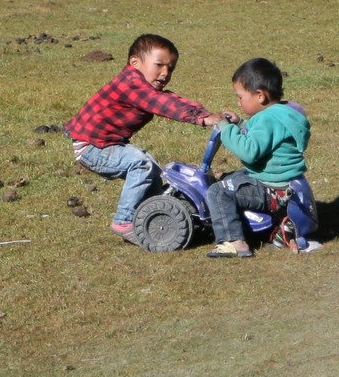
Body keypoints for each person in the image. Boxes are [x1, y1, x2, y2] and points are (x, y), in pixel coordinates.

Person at [64, 34, 223, 243]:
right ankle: (124, 221)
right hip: (92, 147)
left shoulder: (142, 85)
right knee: (140, 165)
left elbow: (168, 98)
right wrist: (203, 119)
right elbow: (160, 103)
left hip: (105, 143)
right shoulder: (131, 83)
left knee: (154, 172)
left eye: (170, 68)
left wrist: (204, 113)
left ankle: (155, 213)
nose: (165, 73)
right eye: (159, 65)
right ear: (135, 62)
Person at [206, 58, 310, 258]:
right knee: (231, 178)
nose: (238, 102)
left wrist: (227, 129)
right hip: (283, 186)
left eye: (240, 97)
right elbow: (265, 137)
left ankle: (235, 241)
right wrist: (240, 123)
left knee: (219, 192)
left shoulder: (267, 118)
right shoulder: (281, 114)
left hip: (272, 191)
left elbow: (249, 151)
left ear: (260, 95)